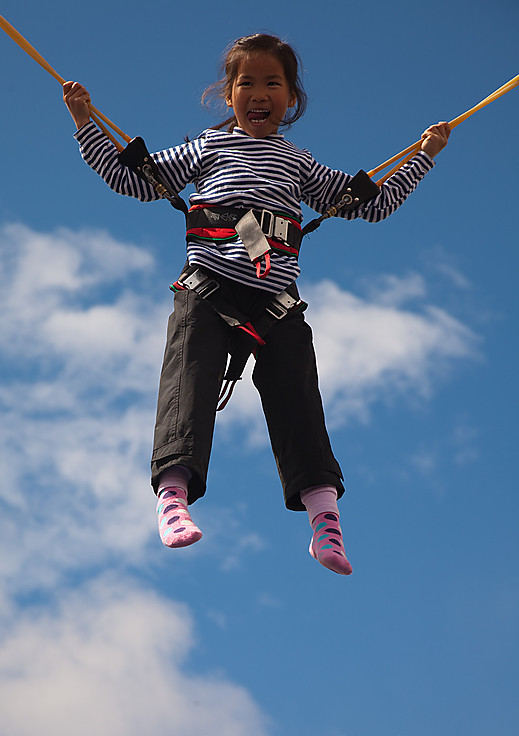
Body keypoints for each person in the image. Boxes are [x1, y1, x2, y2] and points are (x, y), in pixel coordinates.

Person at [63, 33, 450, 575]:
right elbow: (133, 180)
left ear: (290, 99)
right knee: (188, 379)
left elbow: (376, 204)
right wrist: (84, 122)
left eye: (274, 83)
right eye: (248, 82)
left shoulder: (298, 163)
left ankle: (325, 519)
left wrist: (425, 155)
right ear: (229, 94)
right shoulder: (208, 148)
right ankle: (173, 495)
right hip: (209, 286)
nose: (260, 92)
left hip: (275, 302)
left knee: (299, 399)